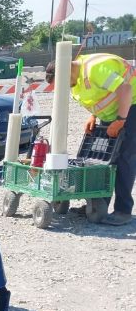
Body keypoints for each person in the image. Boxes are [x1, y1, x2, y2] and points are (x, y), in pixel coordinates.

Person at [46, 53, 136, 225]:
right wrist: (94, 116)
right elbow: (99, 95)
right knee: (102, 159)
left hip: (131, 108)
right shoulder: (77, 77)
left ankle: (123, 211)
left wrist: (120, 121)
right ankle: (98, 205)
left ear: (66, 71)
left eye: (63, 84)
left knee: (124, 159)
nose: (66, 88)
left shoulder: (94, 69)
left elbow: (126, 90)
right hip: (113, 115)